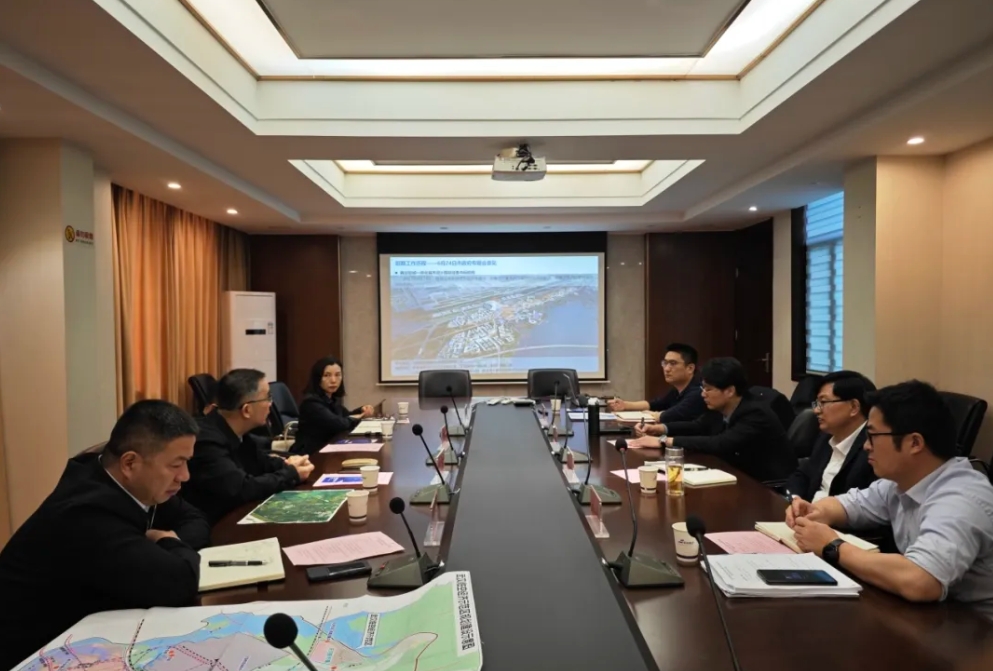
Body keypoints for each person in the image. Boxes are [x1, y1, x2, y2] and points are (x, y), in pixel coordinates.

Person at [0, 400, 209, 671]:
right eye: (176, 465)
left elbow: (195, 519)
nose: (185, 476)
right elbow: (180, 582)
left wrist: (164, 544)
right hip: (33, 655)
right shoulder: (86, 514)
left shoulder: (121, 479)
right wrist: (168, 542)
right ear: (130, 463)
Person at [788, 380, 993, 618]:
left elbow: (921, 581)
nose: (866, 446)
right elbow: (849, 505)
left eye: (873, 436)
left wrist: (833, 546)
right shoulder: (901, 482)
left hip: (976, 628)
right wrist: (814, 511)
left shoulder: (960, 498)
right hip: (935, 616)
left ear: (914, 443)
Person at [629, 357, 796, 482]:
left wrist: (665, 441)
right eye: (703, 388)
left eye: (708, 389)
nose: (703, 394)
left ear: (729, 391)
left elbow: (720, 443)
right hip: (732, 472)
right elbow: (698, 426)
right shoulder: (720, 407)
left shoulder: (755, 413)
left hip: (763, 485)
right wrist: (660, 429)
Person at [183, 368, 314, 524]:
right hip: (213, 525)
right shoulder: (206, 441)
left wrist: (287, 464)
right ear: (247, 410)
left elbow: (259, 461)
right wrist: (291, 474)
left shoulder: (237, 431)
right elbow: (241, 489)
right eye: (268, 397)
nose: (271, 404)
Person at [784, 371, 877, 502]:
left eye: (823, 402)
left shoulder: (874, 448)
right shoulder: (826, 436)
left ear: (854, 407)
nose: (816, 410)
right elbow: (803, 474)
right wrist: (795, 498)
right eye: (817, 403)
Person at [292, 356, 376, 455]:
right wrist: (360, 416)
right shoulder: (311, 403)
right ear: (318, 378)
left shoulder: (331, 399)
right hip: (310, 455)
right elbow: (339, 424)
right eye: (327, 375)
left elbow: (345, 416)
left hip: (328, 449)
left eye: (337, 375)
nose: (333, 380)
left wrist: (361, 410)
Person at [607, 343, 705, 424]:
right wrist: (625, 405)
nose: (666, 369)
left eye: (673, 363)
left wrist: (655, 415)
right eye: (665, 363)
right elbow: (655, 404)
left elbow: (669, 415)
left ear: (690, 368)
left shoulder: (698, 392)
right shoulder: (677, 390)